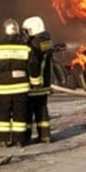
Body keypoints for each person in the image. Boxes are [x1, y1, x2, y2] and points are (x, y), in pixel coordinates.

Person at [0, 18, 41, 148]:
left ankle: (2, 140)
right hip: (21, 88)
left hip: (4, 88)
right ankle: (20, 140)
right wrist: (35, 82)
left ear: (4, 30)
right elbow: (33, 66)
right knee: (20, 114)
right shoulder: (26, 47)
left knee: (3, 115)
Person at [23, 16, 54, 144]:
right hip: (45, 82)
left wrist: (34, 80)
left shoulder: (34, 44)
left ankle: (26, 136)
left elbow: (33, 63)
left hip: (35, 83)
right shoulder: (47, 41)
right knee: (42, 108)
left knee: (28, 109)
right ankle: (44, 135)